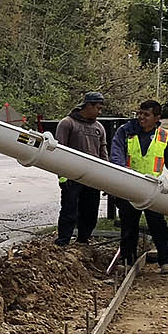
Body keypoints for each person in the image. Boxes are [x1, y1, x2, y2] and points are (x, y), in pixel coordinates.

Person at [111, 99, 168, 274]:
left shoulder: (164, 137)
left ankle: (166, 261)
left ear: (157, 117)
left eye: (146, 115)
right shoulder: (125, 132)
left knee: (157, 225)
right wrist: (122, 177)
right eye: (140, 113)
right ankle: (127, 261)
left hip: (153, 190)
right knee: (128, 226)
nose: (141, 118)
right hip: (129, 187)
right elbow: (116, 157)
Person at [54, 91, 110, 245]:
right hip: (72, 177)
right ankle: (63, 242)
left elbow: (103, 153)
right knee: (69, 212)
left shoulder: (99, 128)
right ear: (88, 105)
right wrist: (62, 177)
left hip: (92, 179)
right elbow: (59, 152)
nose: (99, 112)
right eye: (98, 108)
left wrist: (105, 179)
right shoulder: (67, 123)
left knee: (90, 212)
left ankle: (83, 240)